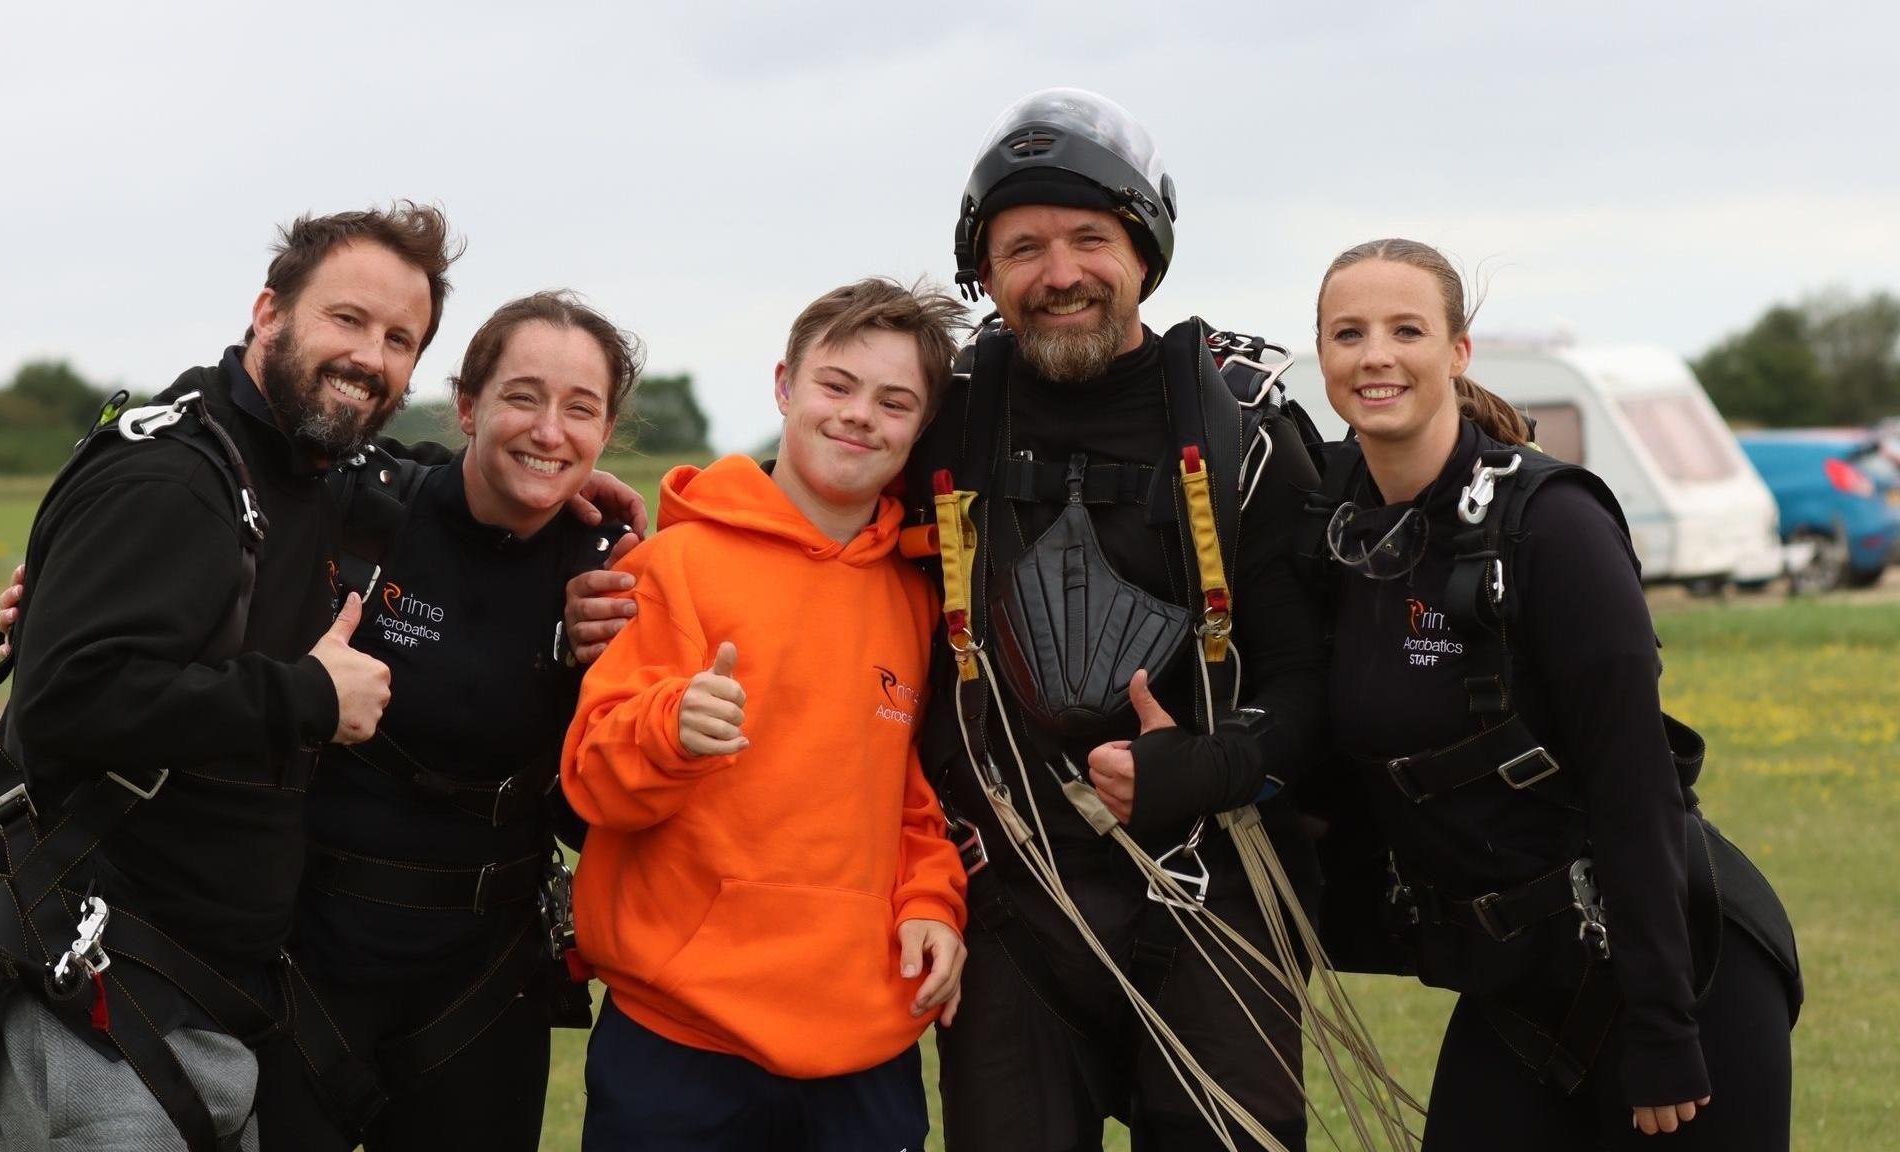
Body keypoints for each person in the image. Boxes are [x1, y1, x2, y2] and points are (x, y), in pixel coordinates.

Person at [0, 203, 461, 1152]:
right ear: (268, 311)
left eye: (401, 340)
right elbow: (67, 702)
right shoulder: (175, 477)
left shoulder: (298, 468)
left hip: (193, 986)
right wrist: (310, 696)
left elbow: (408, 481)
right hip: (88, 978)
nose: (371, 357)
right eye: (347, 320)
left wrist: (548, 494)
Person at [1306, 238, 1801, 1149]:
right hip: (1517, 988)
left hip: (1687, 972)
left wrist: (1663, 1025)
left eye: (1405, 329)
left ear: (1457, 353)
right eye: (1348, 333)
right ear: (1324, 356)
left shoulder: (1555, 525)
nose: (1375, 354)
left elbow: (1635, 784)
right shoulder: (1333, 528)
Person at [909, 89, 1330, 1151]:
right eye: (1022, 248)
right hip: (1008, 906)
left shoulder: (1248, 428)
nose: (1058, 275)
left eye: (1089, 238)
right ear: (984, 271)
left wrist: (1208, 767)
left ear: (1144, 248)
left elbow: (1318, 679)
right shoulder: (936, 419)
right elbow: (789, 533)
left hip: (1213, 895)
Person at [560, 277, 972, 1152]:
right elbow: (594, 777)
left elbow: (901, 790)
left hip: (863, 1046)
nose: (860, 415)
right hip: (679, 1040)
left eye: (894, 401)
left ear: (920, 425)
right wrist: (671, 727)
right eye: (837, 385)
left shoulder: (912, 595)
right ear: (785, 385)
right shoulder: (676, 564)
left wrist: (930, 900)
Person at [248, 290, 645, 1150]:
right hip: (304, 969)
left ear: (606, 432)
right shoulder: (358, 507)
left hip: (484, 991)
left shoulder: (614, 579)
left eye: (580, 410)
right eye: (523, 397)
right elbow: (210, 488)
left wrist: (599, 670)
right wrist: (57, 581)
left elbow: (596, 808)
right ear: (467, 404)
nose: (550, 431)